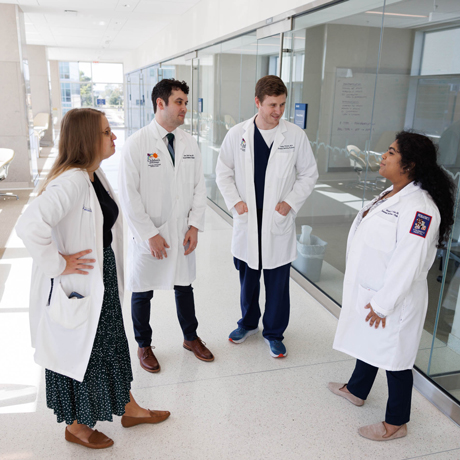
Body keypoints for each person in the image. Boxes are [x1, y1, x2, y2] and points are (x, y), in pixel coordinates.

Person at [16, 108, 170, 450]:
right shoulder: (71, 180)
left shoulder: (92, 174)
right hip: (81, 282)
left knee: (111, 345)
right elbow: (28, 225)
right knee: (83, 351)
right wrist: (58, 264)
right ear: (87, 139)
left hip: (102, 276)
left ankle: (129, 408)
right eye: (106, 132)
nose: (114, 136)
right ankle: (76, 427)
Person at [329, 131, 455, 441]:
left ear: (410, 164)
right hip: (375, 289)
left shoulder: (420, 208)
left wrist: (384, 303)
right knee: (370, 342)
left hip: (395, 298)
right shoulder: (392, 192)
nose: (383, 156)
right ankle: (357, 389)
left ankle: (396, 422)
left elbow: (409, 262)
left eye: (391, 152)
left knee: (396, 359)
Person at [215, 75, 318, 358]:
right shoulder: (237, 134)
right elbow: (223, 171)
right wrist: (235, 202)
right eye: (272, 104)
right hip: (248, 219)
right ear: (257, 102)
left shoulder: (294, 135)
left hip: (276, 220)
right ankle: (248, 323)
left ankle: (273, 333)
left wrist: (291, 202)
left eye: (282, 105)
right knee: (248, 279)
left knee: (277, 282)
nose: (278, 111)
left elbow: (310, 173)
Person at [119, 78, 213, 373]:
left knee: (184, 285)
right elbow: (129, 195)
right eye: (179, 102)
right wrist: (150, 234)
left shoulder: (188, 142)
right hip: (152, 234)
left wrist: (194, 225)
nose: (185, 107)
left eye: (185, 102)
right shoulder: (137, 144)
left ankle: (190, 337)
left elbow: (199, 186)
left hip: (181, 230)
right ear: (161, 104)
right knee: (142, 290)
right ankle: (144, 345)